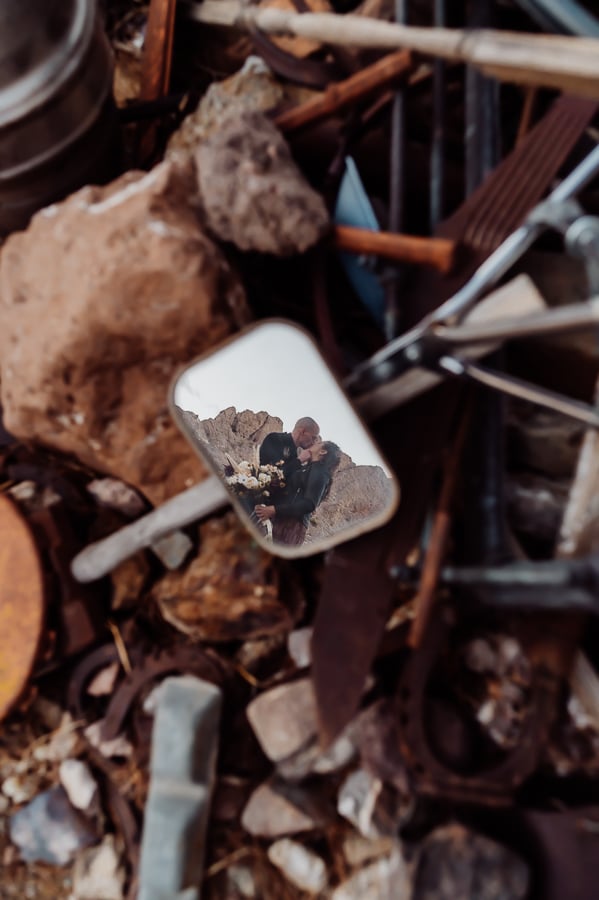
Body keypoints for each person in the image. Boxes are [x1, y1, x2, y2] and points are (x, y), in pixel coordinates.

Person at [255, 440, 342, 546]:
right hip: (282, 519)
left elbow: (309, 504)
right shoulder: (309, 468)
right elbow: (283, 476)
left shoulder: (320, 472)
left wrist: (274, 510)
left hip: (290, 525)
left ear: (322, 452)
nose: (314, 443)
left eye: (319, 443)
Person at [259, 417, 320, 483]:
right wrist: (299, 461)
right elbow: (275, 474)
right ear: (303, 431)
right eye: (313, 438)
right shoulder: (275, 439)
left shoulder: (297, 454)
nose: (313, 442)